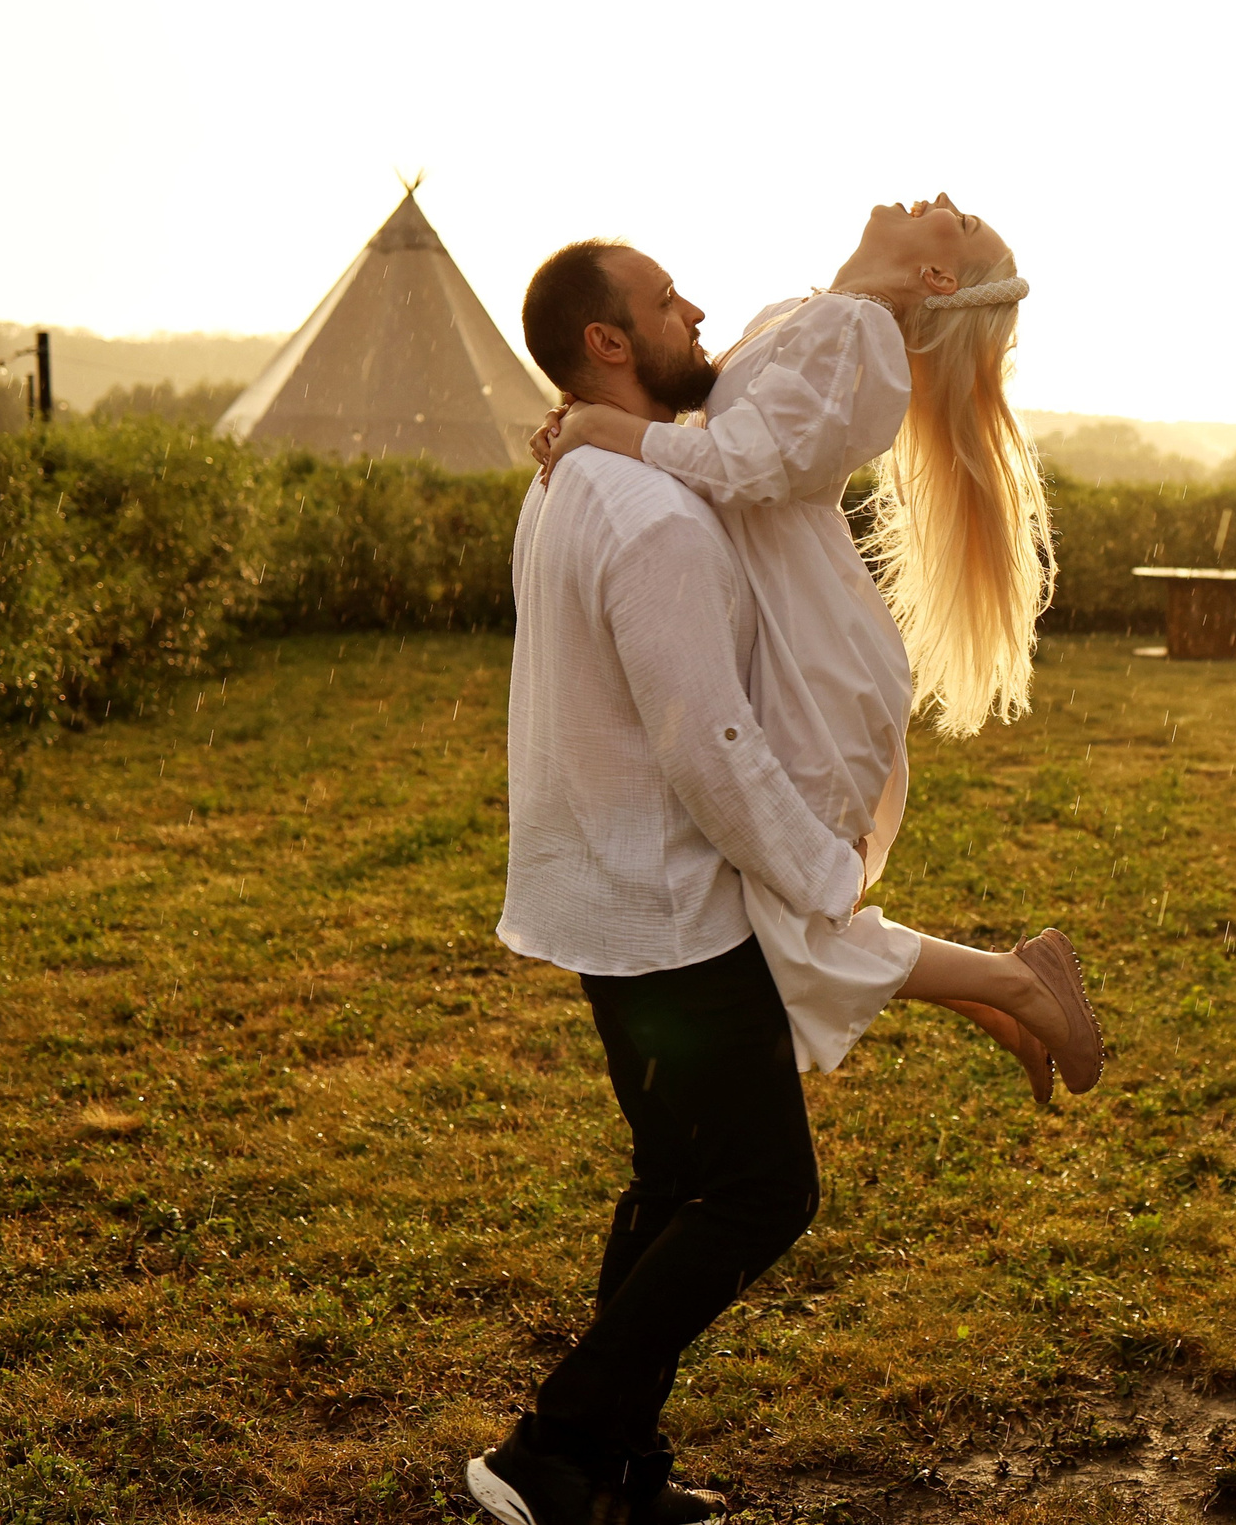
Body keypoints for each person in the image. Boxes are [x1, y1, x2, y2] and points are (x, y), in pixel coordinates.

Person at [468, 230, 1100, 1525]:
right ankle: (550, 1450)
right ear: (607, 343)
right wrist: (819, 872)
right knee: (762, 1188)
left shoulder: (572, 481)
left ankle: (618, 1471)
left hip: (604, 893)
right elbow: (712, 743)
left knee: (674, 1181)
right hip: (668, 913)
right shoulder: (652, 514)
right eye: (662, 301)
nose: (694, 309)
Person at [532, 196, 1094, 1094]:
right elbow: (709, 431)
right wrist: (598, 419)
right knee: (770, 918)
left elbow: (748, 464)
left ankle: (1014, 988)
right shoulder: (803, 315)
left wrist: (616, 433)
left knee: (783, 910)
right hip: (783, 623)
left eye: (963, 222)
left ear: (936, 277)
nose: (943, 202)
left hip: (812, 646)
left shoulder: (862, 331)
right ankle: (1008, 986)